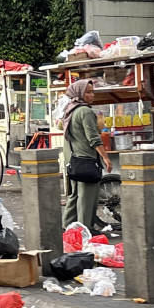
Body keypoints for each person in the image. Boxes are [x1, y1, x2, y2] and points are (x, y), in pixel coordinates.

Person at [61, 80, 113, 231]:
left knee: (75, 195)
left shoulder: (70, 110)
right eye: (88, 92)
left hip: (73, 159)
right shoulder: (85, 111)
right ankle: (85, 230)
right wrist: (105, 157)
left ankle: (67, 227)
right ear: (79, 94)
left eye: (92, 92)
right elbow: (93, 138)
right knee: (87, 198)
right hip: (86, 160)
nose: (92, 95)